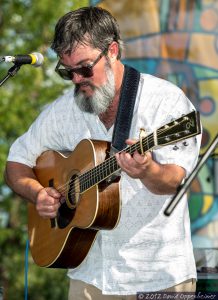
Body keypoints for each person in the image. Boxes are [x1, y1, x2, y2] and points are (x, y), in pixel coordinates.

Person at [4, 6, 201, 299]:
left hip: (158, 277)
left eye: (84, 68)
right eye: (66, 72)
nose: (76, 80)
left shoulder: (165, 103)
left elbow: (175, 181)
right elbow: (17, 162)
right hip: (90, 277)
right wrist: (37, 194)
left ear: (111, 51)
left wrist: (148, 171)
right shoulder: (63, 111)